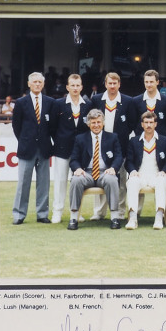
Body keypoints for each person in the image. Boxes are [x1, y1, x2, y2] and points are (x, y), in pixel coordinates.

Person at [66, 109, 124, 230]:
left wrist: (113, 168)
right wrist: (77, 169)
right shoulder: (80, 138)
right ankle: (73, 218)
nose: (96, 125)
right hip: (87, 172)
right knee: (75, 180)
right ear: (88, 124)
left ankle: (115, 217)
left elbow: (118, 156)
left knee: (112, 180)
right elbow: (74, 159)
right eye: (93, 123)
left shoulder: (112, 137)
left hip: (105, 172)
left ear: (103, 123)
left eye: (98, 122)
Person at [11, 72, 55, 224]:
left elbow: (52, 126)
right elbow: (16, 126)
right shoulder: (21, 102)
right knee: (23, 183)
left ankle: (42, 214)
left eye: (40, 82)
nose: (37, 84)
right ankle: (18, 215)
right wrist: (25, 140)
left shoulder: (50, 102)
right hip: (26, 148)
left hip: (44, 148)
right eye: (34, 82)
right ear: (29, 84)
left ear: (43, 84)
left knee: (43, 183)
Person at [90, 72, 135, 220]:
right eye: (110, 83)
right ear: (105, 84)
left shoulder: (127, 101)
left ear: (119, 84)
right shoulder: (97, 99)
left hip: (120, 147)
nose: (112, 86)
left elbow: (131, 124)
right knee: (100, 177)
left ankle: (121, 211)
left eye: (115, 83)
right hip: (100, 146)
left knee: (121, 181)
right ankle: (99, 212)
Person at [51, 74, 91, 224]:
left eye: (77, 85)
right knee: (60, 181)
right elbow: (52, 127)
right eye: (72, 85)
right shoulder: (58, 104)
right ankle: (57, 212)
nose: (75, 88)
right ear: (67, 87)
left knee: (78, 182)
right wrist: (60, 141)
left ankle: (76, 212)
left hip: (80, 151)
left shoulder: (87, 104)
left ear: (81, 87)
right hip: (62, 149)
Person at [124, 111, 166, 230]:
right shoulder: (134, 141)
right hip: (140, 174)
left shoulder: (164, 140)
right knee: (132, 181)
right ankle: (133, 218)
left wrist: (164, 171)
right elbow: (128, 161)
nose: (149, 125)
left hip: (156, 175)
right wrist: (132, 171)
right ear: (142, 124)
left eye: (151, 122)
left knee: (162, 181)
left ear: (156, 124)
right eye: (146, 122)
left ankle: (159, 217)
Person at [131, 69, 166, 138]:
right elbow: (134, 122)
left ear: (157, 82)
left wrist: (162, 136)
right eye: (146, 82)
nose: (149, 84)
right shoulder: (136, 100)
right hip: (141, 139)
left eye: (151, 82)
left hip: (160, 138)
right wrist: (139, 135)